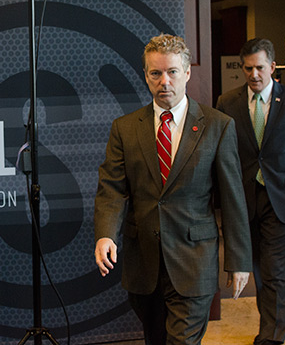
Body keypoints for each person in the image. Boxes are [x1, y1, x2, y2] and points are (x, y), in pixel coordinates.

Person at [94, 34, 252, 345]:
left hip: (195, 261)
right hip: (145, 264)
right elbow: (111, 188)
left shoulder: (217, 126)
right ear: (146, 75)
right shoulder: (125, 128)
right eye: (156, 73)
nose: (164, 81)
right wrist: (105, 234)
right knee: (156, 340)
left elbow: (233, 199)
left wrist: (239, 260)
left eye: (172, 72)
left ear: (187, 73)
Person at [216, 37, 285, 345]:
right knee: (257, 268)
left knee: (274, 270)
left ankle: (272, 337)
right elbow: (223, 155)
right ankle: (268, 325)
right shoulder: (227, 102)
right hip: (244, 199)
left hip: (283, 197)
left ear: (272, 67)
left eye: (260, 68)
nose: (254, 75)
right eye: (248, 68)